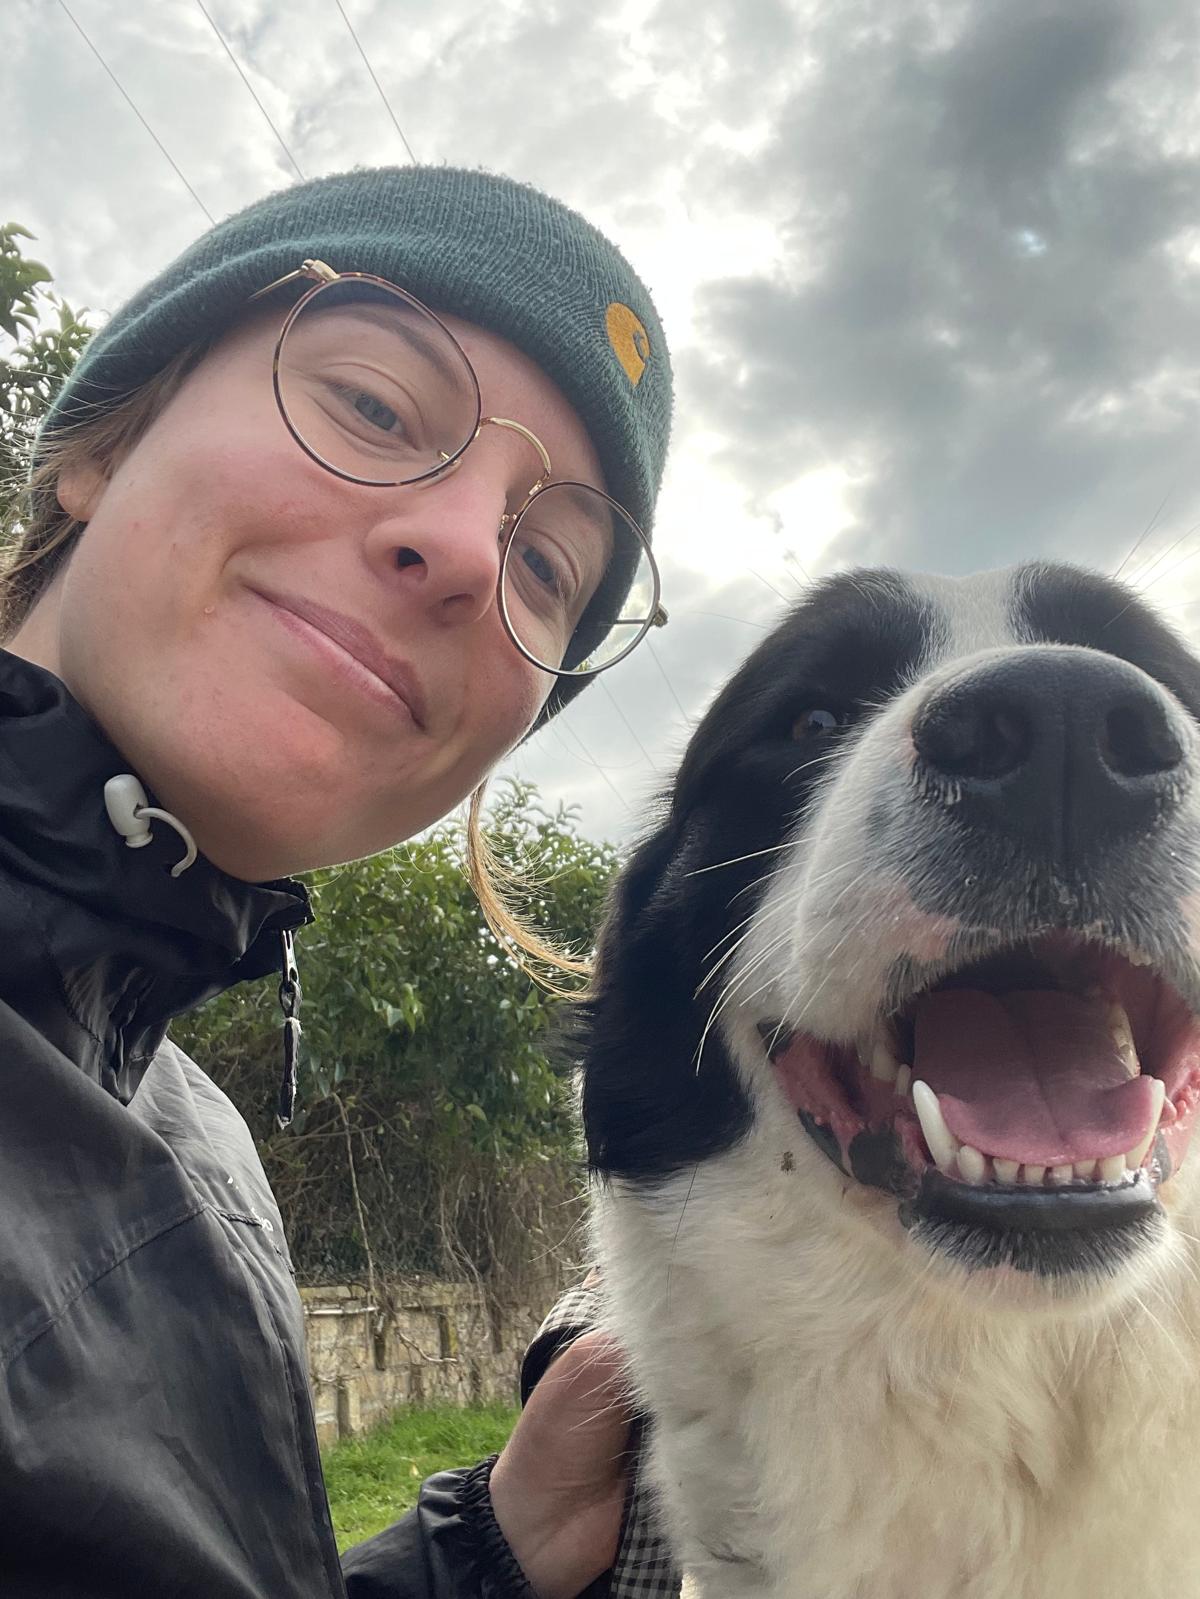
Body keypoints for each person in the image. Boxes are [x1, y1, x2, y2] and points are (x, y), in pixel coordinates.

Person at [0, 164, 674, 1598]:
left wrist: (490, 1546)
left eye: (547, 567)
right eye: (373, 405)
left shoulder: (201, 1138)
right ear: (102, 446)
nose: (465, 553)